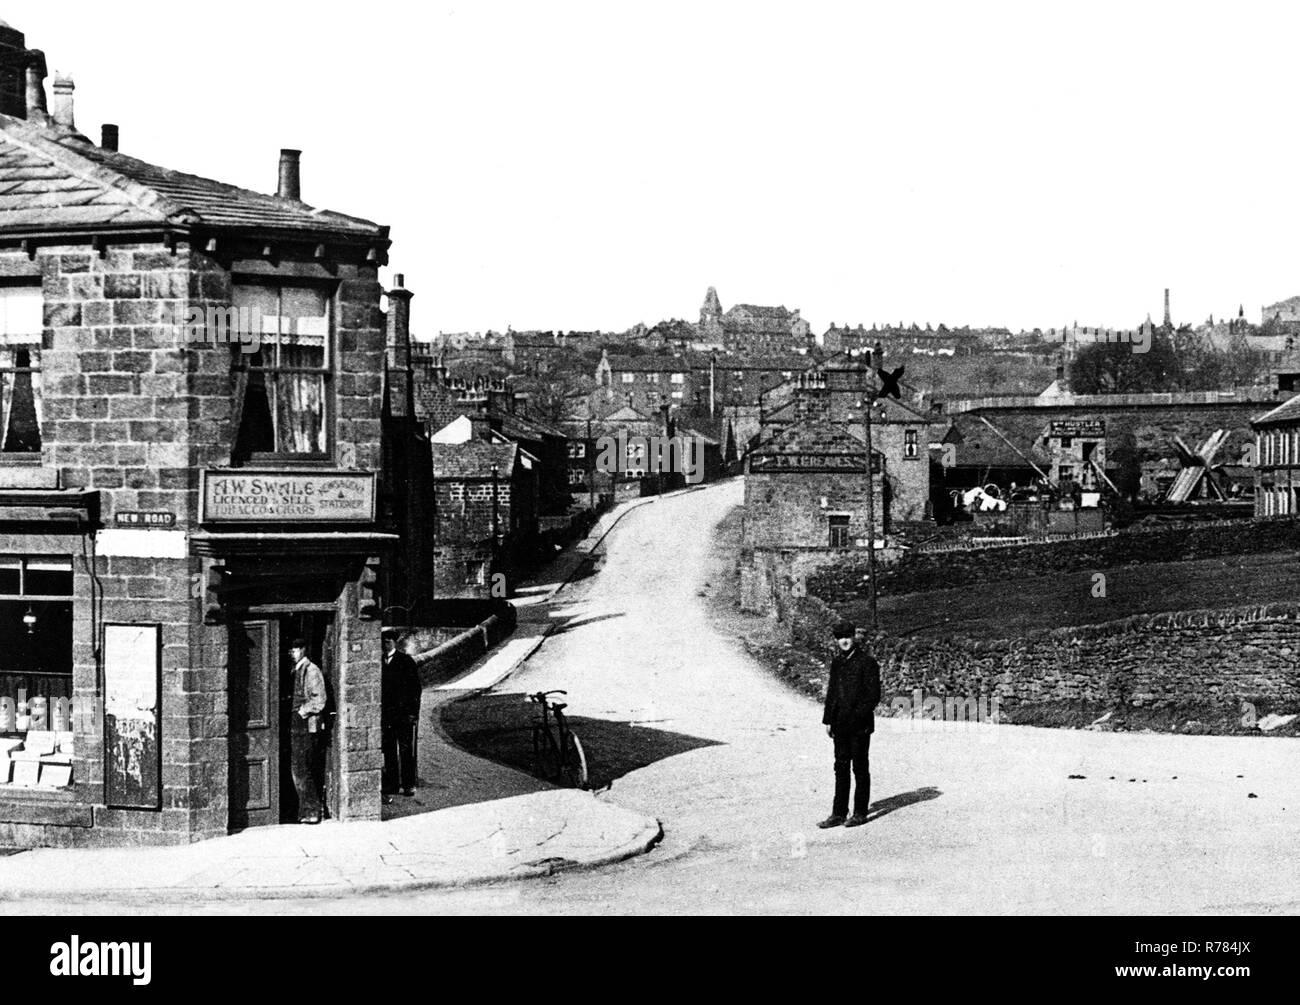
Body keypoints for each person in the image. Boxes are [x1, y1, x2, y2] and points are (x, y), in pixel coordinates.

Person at [818, 621, 881, 829]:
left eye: (847, 637)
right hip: (839, 724)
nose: (843, 641)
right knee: (841, 767)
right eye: (839, 638)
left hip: (859, 724)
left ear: (854, 637)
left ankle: (860, 812)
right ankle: (838, 813)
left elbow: (873, 696)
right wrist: (828, 720)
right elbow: (832, 693)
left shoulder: (867, 662)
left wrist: (857, 716)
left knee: (860, 767)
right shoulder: (837, 662)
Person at [289, 638, 327, 824]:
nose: (293, 652)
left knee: (302, 768)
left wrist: (302, 712)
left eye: (296, 649)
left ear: (304, 649)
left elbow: (319, 700)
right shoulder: (296, 670)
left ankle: (312, 811)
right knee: (298, 769)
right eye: (292, 649)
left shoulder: (311, 670)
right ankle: (306, 810)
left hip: (307, 726)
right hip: (296, 726)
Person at [381, 633, 422, 802]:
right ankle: (392, 784)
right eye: (383, 642)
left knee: (405, 750)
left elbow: (415, 689)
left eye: (389, 641)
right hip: (387, 716)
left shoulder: (406, 661)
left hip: (404, 715)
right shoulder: (380, 662)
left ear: (395, 643)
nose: (386, 644)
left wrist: (413, 713)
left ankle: (408, 784)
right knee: (389, 750)